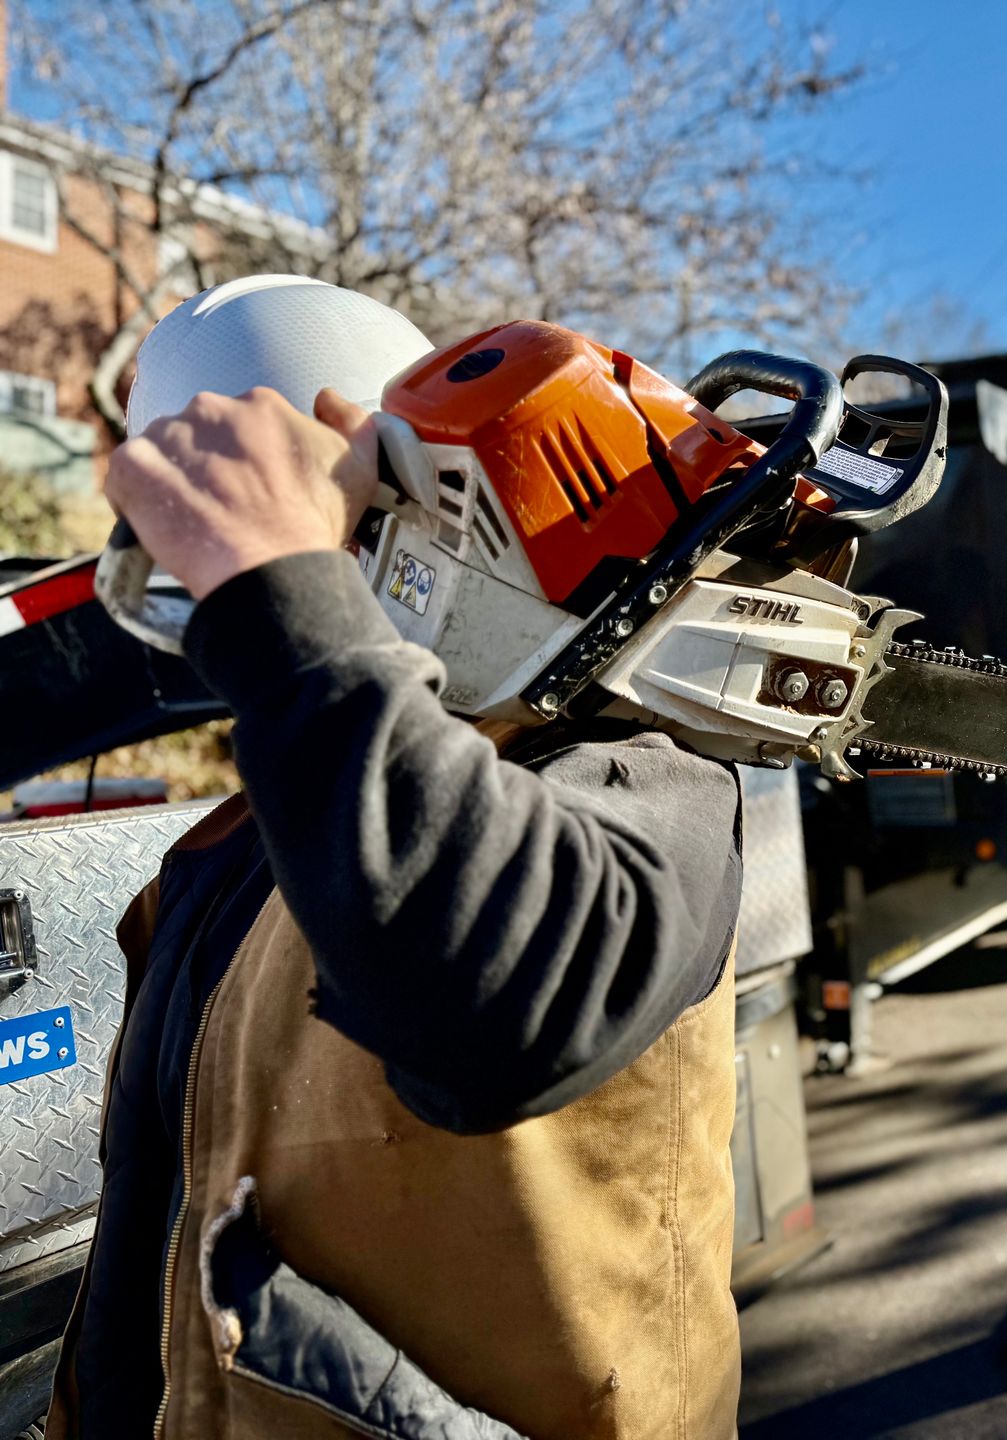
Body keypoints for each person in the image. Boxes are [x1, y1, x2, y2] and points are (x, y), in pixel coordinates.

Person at [45, 277, 745, 1439]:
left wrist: (287, 604)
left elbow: (492, 1005)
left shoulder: (626, 772)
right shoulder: (218, 860)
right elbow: (144, 1241)